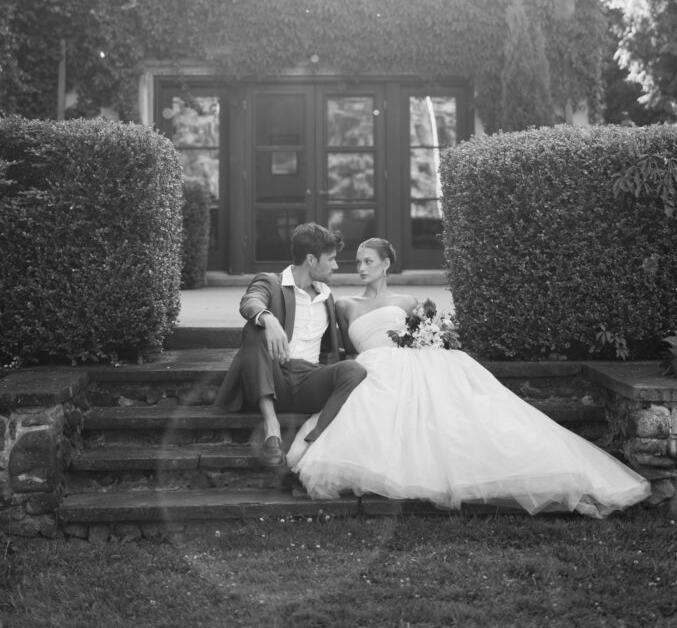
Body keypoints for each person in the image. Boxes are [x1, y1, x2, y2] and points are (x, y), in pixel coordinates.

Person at [287, 237, 652, 518]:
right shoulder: (343, 304)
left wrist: (431, 339)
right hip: (374, 368)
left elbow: (432, 334)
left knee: (476, 418)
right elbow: (341, 350)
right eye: (357, 262)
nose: (360, 267)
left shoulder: (410, 302)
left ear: (386, 265)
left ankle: (562, 478)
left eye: (368, 261)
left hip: (420, 363)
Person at [213, 222, 366, 468]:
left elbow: (337, 348)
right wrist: (268, 319)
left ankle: (318, 432)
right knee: (255, 330)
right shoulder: (270, 282)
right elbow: (250, 301)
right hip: (273, 377)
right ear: (311, 260)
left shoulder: (327, 295)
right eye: (332, 259)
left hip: (310, 380)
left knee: (354, 370)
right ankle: (271, 428)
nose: (336, 266)